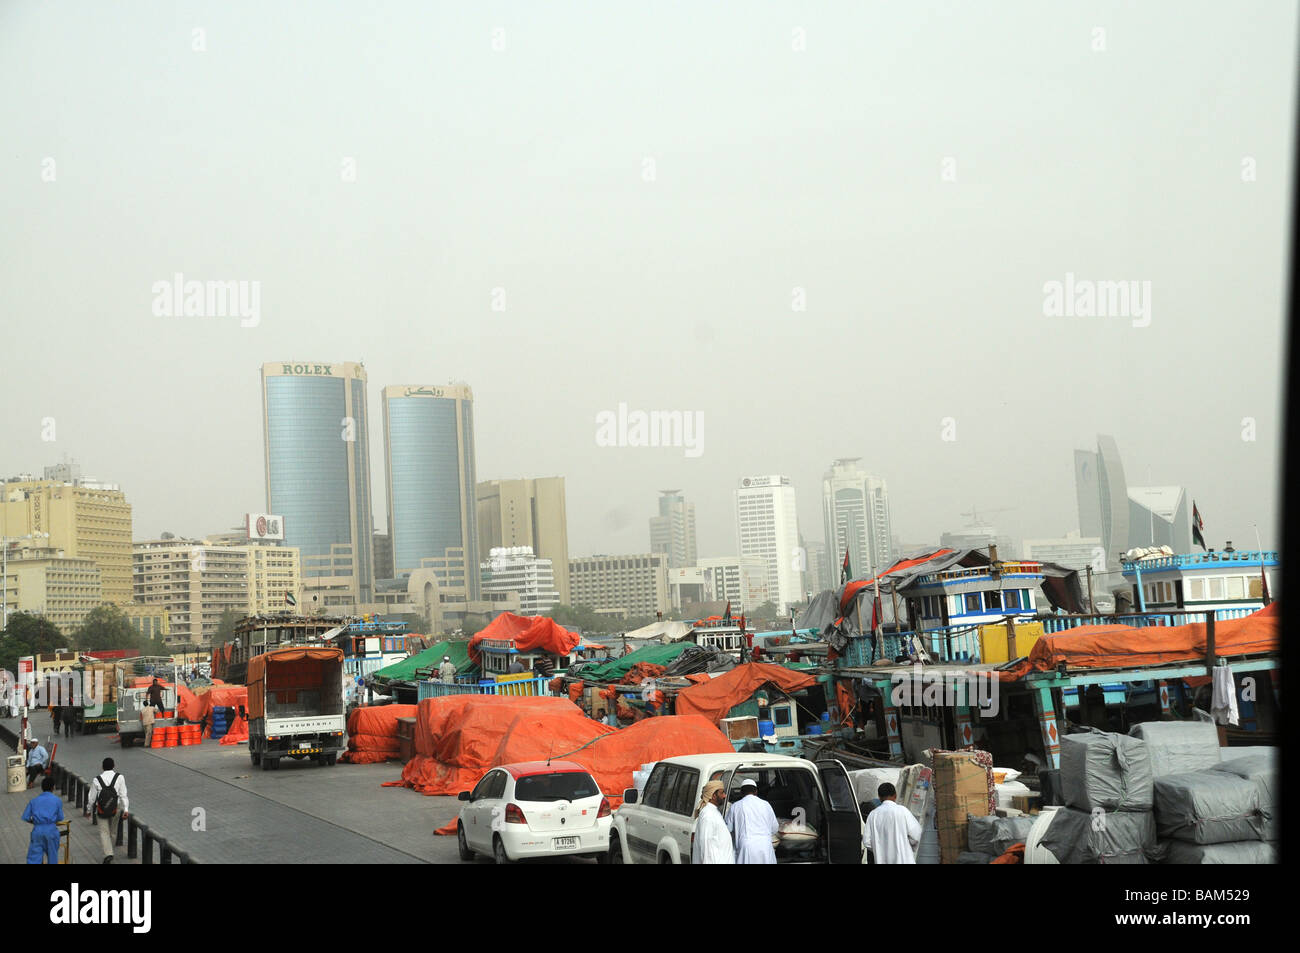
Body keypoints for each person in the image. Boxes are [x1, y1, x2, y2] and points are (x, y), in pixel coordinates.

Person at [862, 782, 921, 864]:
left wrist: (879, 848)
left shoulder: (873, 815)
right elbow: (916, 835)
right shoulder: (902, 811)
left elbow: (867, 841)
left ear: (879, 797)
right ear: (895, 795)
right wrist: (906, 846)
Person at [726, 777, 779, 864]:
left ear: (741, 792)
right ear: (756, 792)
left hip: (746, 847)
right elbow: (774, 828)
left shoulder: (735, 806)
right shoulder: (766, 805)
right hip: (765, 846)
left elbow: (728, 829)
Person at [89, 757, 129, 864]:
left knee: (104, 832)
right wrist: (126, 809)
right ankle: (110, 850)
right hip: (116, 808)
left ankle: (108, 854)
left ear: (102, 767)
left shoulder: (97, 779)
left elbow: (91, 798)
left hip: (101, 809)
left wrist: (89, 810)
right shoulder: (120, 777)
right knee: (112, 831)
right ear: (114, 766)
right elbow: (123, 794)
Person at [22, 776, 65, 864]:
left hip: (37, 831)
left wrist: (35, 822)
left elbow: (26, 817)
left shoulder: (34, 801)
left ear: (42, 788)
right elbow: (60, 817)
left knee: (34, 858)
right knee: (52, 856)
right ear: (53, 787)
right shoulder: (57, 800)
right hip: (51, 831)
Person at [692, 780, 735, 864]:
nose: (725, 796)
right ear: (714, 796)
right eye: (722, 793)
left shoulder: (713, 811)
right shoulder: (708, 815)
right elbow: (706, 848)